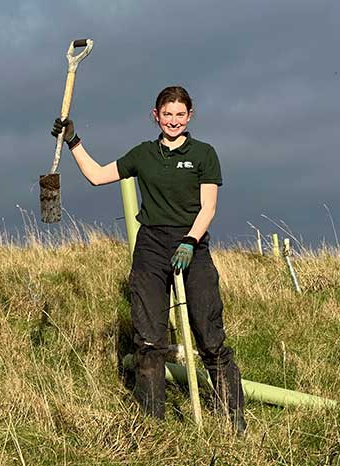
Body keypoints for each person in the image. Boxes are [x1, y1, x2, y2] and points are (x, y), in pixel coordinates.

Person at [51, 85, 246, 434]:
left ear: (190, 116)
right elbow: (97, 176)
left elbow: (209, 207)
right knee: (149, 342)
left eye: (180, 114)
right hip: (152, 246)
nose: (173, 120)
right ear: (155, 116)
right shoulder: (143, 154)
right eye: (167, 114)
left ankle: (233, 423)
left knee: (210, 337)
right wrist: (73, 140)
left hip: (193, 245)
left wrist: (190, 240)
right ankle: (153, 427)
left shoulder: (204, 154)